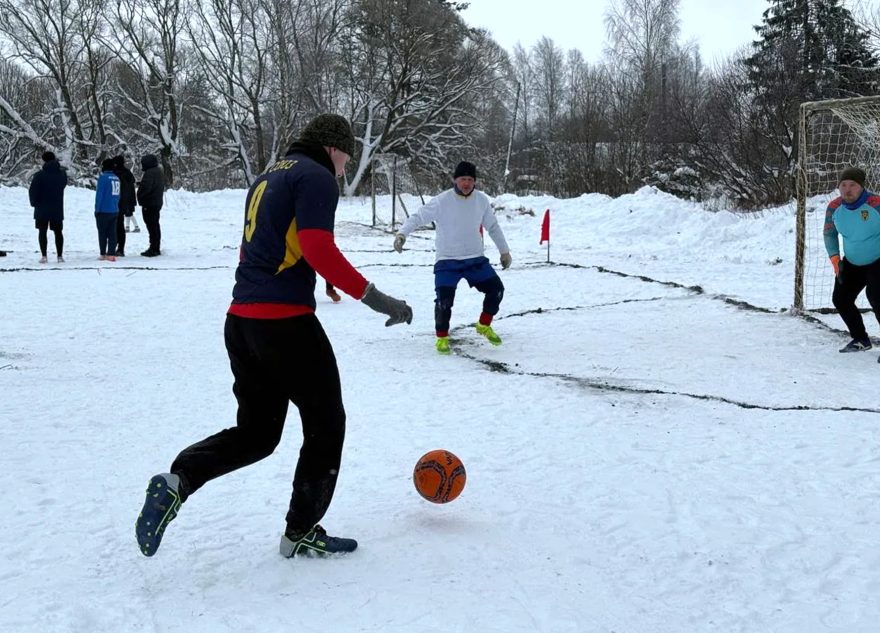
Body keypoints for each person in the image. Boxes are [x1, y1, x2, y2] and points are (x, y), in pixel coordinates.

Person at [136, 113, 413, 560]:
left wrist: (318, 277)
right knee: (327, 423)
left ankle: (178, 480)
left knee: (258, 433)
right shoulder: (317, 176)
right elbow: (319, 247)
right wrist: (377, 299)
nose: (346, 165)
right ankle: (301, 529)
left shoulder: (269, 177)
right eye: (347, 154)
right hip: (285, 324)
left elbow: (277, 246)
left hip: (242, 322)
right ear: (332, 147)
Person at [393, 160, 512, 354]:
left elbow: (493, 227)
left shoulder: (481, 200)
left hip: (475, 259)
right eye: (463, 179)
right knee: (444, 301)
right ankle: (441, 337)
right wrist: (402, 234)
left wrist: (504, 251)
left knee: (497, 290)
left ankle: (484, 324)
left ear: (474, 182)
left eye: (470, 180)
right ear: (455, 180)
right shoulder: (442, 201)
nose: (466, 183)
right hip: (447, 260)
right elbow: (417, 217)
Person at [823, 166, 880, 356]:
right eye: (843, 185)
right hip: (852, 261)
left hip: (878, 260)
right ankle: (861, 339)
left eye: (853, 185)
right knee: (841, 298)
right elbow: (829, 233)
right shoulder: (834, 207)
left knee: (877, 297)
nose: (847, 189)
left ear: (862, 187)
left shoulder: (876, 204)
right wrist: (834, 258)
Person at [29, 151, 67, 263]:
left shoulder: (39, 175)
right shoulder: (62, 174)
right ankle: (59, 256)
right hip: (57, 207)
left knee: (42, 231)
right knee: (58, 232)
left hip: (42, 207)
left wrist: (34, 202)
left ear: (44, 160)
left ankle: (44, 256)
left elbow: (33, 191)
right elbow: (63, 185)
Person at [137, 153, 165, 257]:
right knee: (155, 225)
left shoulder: (149, 173)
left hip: (149, 203)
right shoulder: (158, 171)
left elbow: (146, 188)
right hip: (156, 202)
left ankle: (153, 248)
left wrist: (140, 195)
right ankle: (155, 246)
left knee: (151, 225)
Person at [95, 159, 121, 261]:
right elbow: (119, 195)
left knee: (102, 233)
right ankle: (111, 253)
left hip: (104, 210)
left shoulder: (103, 178)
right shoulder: (116, 178)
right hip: (114, 209)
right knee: (112, 233)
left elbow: (99, 195)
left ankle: (103, 253)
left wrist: (97, 209)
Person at [113, 155, 138, 256]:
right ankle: (120, 248)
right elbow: (131, 190)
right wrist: (131, 204)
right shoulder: (128, 173)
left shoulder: (115, 174)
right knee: (120, 226)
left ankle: (114, 246)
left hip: (116, 203)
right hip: (125, 203)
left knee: (115, 226)